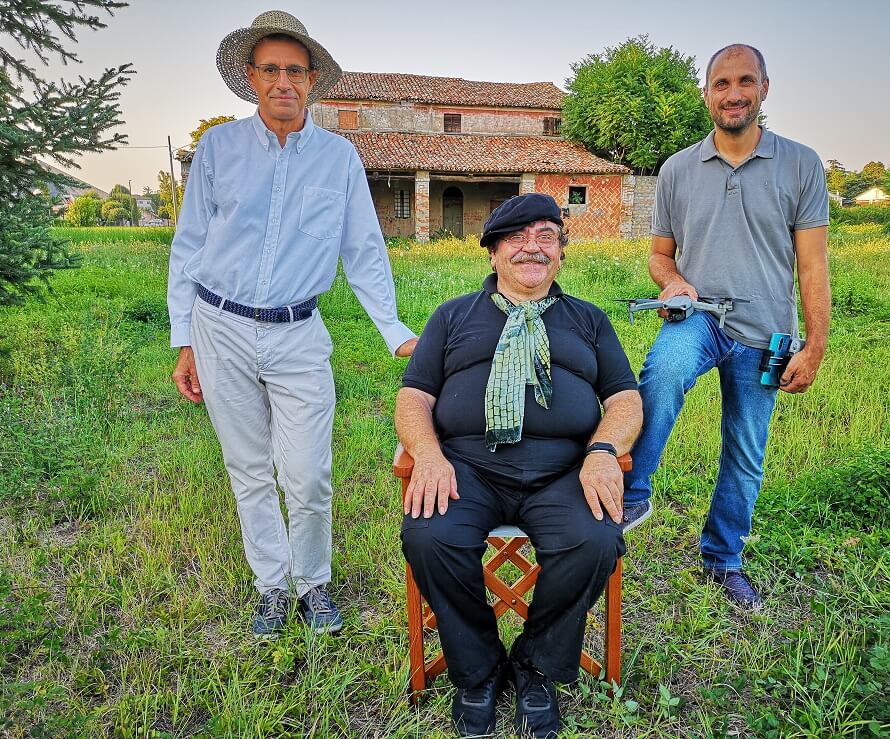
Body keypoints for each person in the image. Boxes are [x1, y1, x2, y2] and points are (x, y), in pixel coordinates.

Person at [166, 11, 416, 637]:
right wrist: (185, 339)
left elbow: (363, 249)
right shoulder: (219, 148)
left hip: (299, 332)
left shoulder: (339, 159)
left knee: (307, 472)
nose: (283, 81)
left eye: (295, 72)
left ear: (312, 82)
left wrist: (393, 328)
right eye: (271, 69)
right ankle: (272, 587)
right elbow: (188, 246)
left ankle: (314, 582)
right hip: (218, 325)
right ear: (251, 78)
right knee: (249, 470)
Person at [396, 193, 642, 738]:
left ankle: (535, 666)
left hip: (564, 470)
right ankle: (479, 670)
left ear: (561, 253)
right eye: (515, 237)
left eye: (546, 237)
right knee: (430, 536)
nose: (531, 247)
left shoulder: (589, 320)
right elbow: (414, 397)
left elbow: (624, 398)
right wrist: (429, 454)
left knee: (596, 539)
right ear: (492, 253)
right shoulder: (453, 315)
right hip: (468, 466)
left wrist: (603, 452)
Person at [621, 43, 831, 609]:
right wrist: (672, 284)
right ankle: (632, 496)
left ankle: (723, 559)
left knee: (744, 448)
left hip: (766, 331)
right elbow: (661, 255)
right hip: (701, 316)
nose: (733, 93)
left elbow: (812, 265)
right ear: (706, 92)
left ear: (765, 88)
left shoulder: (801, 164)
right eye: (721, 83)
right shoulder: (677, 170)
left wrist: (814, 348)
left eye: (745, 81)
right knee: (662, 370)